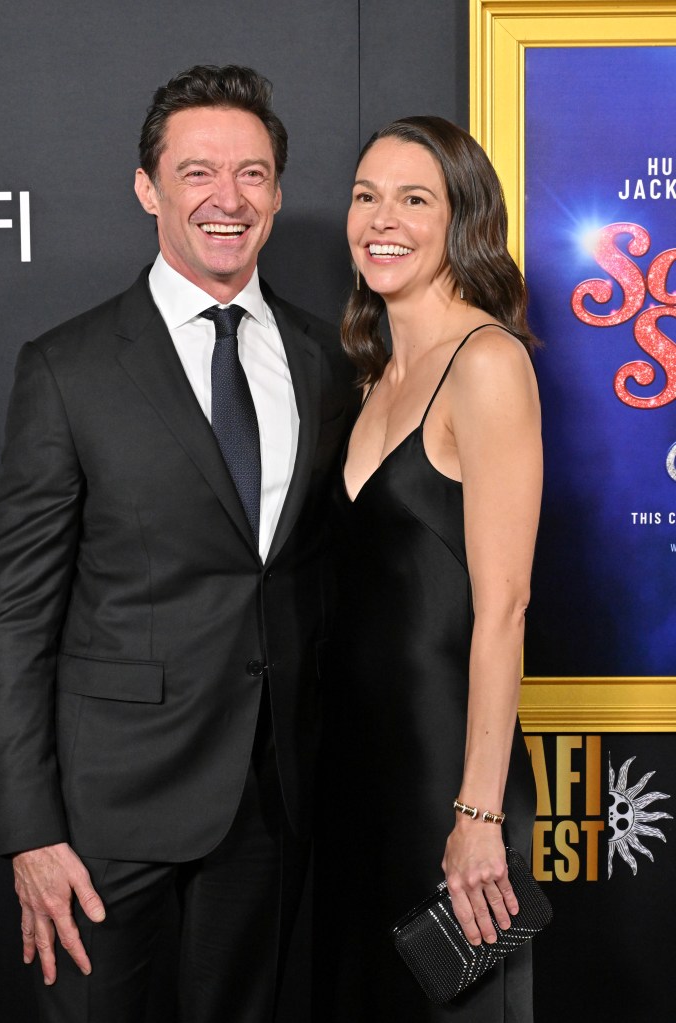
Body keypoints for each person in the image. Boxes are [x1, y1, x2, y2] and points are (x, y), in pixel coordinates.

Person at [0, 64, 357, 1023]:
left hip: (267, 804)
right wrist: (30, 831)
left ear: (277, 192)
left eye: (253, 175)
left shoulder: (329, 359)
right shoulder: (66, 368)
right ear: (148, 188)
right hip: (106, 816)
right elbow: (21, 615)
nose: (226, 200)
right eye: (197, 173)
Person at [313, 116, 541, 1022]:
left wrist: (478, 812)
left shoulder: (487, 362)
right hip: (356, 776)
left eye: (415, 198)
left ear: (462, 220)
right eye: (367, 195)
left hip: (448, 778)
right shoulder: (372, 374)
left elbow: (506, 607)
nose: (382, 219)